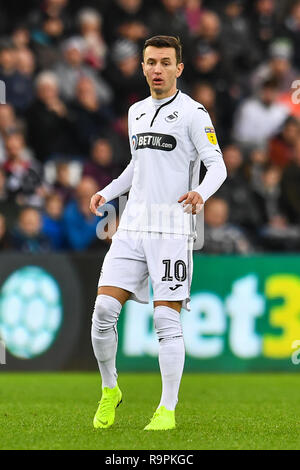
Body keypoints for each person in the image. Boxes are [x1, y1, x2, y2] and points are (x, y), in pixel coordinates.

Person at [89, 35, 227, 431]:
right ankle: (110, 389)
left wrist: (201, 192)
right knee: (102, 313)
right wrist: (108, 191)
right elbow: (138, 165)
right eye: (150, 62)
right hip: (132, 225)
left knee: (166, 322)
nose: (157, 69)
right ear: (142, 66)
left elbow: (217, 166)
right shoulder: (135, 112)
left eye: (165, 62)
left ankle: (166, 409)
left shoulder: (193, 113)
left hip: (172, 229)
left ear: (179, 68)